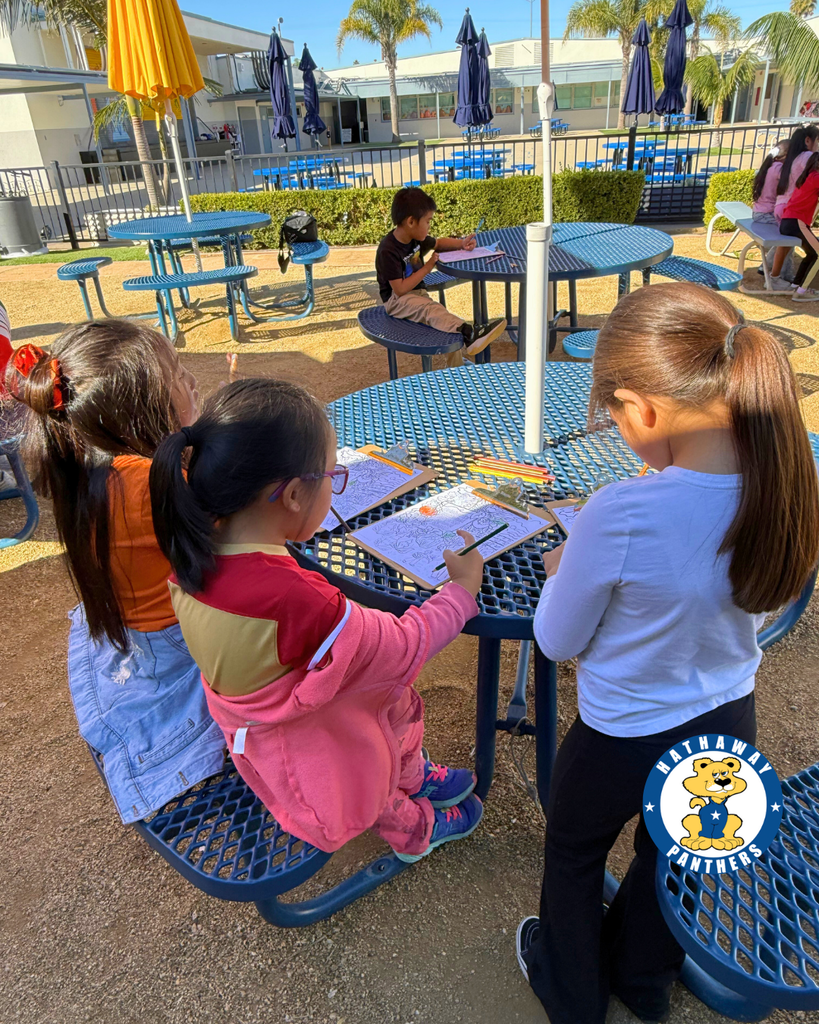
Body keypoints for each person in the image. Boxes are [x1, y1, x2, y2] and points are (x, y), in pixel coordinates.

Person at [516, 282, 819, 1024]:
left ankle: (572, 994)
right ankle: (642, 981)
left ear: (642, 409)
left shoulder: (619, 511)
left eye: (613, 416)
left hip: (621, 735)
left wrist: (561, 573)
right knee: (674, 861)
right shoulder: (784, 481)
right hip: (728, 722)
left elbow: (556, 640)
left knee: (575, 852)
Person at [149, 378, 485, 861]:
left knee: (386, 705)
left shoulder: (193, 543)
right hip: (313, 745)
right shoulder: (295, 599)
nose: (335, 486)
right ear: (290, 496)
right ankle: (416, 832)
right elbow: (402, 645)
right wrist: (462, 592)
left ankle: (413, 776)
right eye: (333, 477)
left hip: (263, 719)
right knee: (372, 760)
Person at [5, 320, 226, 824]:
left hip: (129, 629)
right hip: (175, 645)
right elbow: (241, 536)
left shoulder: (89, 463)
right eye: (176, 373)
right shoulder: (156, 483)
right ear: (133, 419)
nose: (191, 379)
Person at [375, 187, 507, 360]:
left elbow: (438, 243)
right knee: (434, 311)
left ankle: (456, 375)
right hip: (396, 300)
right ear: (411, 222)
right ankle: (470, 332)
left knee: (445, 325)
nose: (430, 226)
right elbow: (399, 289)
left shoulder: (415, 238)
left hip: (415, 294)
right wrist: (428, 267)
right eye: (428, 221)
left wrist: (461, 244)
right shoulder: (388, 250)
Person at [770, 126, 819, 282]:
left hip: (786, 212)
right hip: (794, 216)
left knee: (788, 247)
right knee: (811, 252)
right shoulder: (808, 159)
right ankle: (797, 286)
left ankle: (780, 277)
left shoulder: (796, 161)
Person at [780, 150, 819, 302]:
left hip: (790, 221)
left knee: (812, 253)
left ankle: (797, 285)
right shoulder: (816, 177)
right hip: (796, 222)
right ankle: (801, 292)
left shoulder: (807, 177)